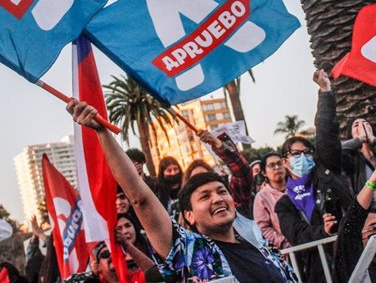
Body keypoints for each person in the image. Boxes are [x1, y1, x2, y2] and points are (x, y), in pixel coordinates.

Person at [67, 99, 296, 282]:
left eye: (221, 191)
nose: (217, 198)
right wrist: (102, 132)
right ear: (189, 215)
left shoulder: (260, 244)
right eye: (205, 196)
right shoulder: (191, 251)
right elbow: (140, 198)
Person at [275, 70, 355, 283]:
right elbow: (297, 236)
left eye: (307, 152)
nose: (303, 157)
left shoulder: (326, 171)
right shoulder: (284, 204)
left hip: (355, 255)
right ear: (285, 161)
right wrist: (323, 231)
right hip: (321, 270)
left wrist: (325, 92)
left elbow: (327, 134)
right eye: (296, 154)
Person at [191, 129, 255, 218]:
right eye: (196, 180)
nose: (217, 200)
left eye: (221, 192)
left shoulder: (234, 202)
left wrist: (217, 143)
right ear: (189, 215)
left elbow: (242, 173)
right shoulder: (183, 226)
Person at [253, 151, 290, 249]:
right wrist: (285, 243)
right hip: (289, 251)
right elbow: (264, 228)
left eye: (279, 163)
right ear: (264, 172)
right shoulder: (261, 197)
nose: (277, 168)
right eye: (272, 165)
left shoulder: (297, 187)